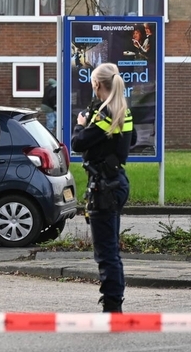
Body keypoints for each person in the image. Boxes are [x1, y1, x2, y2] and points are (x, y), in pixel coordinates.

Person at [71, 62, 134, 314]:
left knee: (106, 253)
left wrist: (80, 123)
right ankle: (112, 304)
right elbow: (134, 140)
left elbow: (78, 142)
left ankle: (112, 308)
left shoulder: (106, 115)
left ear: (96, 84)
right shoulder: (122, 112)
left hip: (104, 188)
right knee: (110, 251)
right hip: (115, 181)